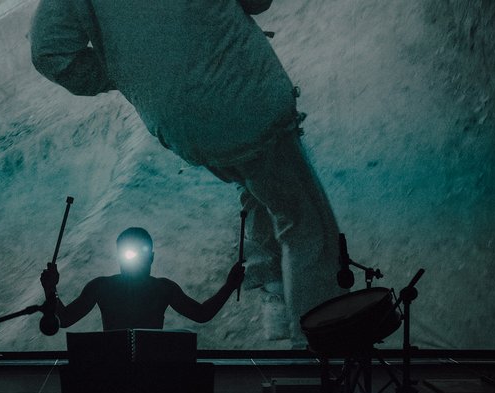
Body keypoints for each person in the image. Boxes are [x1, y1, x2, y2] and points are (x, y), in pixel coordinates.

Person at [30, 0, 342, 344]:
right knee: (304, 223)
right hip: (242, 96)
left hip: (180, 124)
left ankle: (275, 291)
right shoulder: (157, 288)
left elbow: (49, 53)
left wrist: (130, 71)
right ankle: (314, 347)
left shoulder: (105, 287)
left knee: (254, 180)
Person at [40, 227, 245, 330]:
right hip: (149, 368)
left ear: (152, 257)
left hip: (116, 368)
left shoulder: (101, 287)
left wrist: (50, 289)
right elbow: (202, 314)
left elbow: (65, 319)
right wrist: (229, 286)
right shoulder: (163, 288)